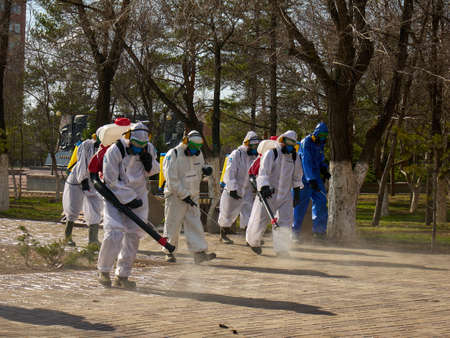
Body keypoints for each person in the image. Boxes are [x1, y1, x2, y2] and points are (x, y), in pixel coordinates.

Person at [97, 122, 159, 289]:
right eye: (136, 145)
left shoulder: (148, 148)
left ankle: (122, 276)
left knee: (133, 235)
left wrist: (149, 164)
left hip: (139, 195)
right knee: (114, 232)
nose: (139, 149)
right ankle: (103, 270)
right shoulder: (115, 150)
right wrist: (127, 198)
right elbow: (110, 179)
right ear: (128, 138)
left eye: (142, 146)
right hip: (114, 195)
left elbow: (154, 169)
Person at [162, 130, 216, 264]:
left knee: (195, 223)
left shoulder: (198, 154)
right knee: (172, 225)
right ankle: (169, 251)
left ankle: (199, 252)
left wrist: (205, 169)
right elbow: (171, 180)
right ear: (185, 142)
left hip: (193, 196)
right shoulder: (173, 155)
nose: (194, 151)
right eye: (192, 148)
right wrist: (183, 195)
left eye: (197, 149)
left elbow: (198, 170)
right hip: (175, 197)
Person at [246, 131, 303, 256]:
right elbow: (263, 172)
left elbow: (297, 177)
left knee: (285, 221)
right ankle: (253, 242)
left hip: (285, 195)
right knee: (260, 219)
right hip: (268, 193)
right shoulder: (272, 153)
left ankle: (281, 249)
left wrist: (297, 191)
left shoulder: (295, 157)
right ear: (281, 141)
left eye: (291, 144)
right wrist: (264, 186)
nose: (289, 146)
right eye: (287, 143)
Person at [217, 131, 260, 244]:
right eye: (253, 145)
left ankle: (249, 238)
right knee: (228, 212)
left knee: (249, 214)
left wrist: (256, 186)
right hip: (233, 190)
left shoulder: (255, 157)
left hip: (247, 191)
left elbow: (256, 173)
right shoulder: (236, 154)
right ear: (246, 144)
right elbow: (230, 172)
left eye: (256, 145)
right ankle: (223, 234)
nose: (255, 148)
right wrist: (232, 188)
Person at [292, 122, 330, 241]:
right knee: (299, 205)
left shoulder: (320, 143)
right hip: (303, 178)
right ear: (316, 133)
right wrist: (310, 178)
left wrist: (324, 168)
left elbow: (320, 158)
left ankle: (319, 232)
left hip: (316, 177)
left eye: (325, 135)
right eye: (321, 134)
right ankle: (294, 233)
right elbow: (306, 161)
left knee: (321, 201)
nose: (323, 137)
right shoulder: (306, 142)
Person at [62, 134, 102, 247]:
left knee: (95, 208)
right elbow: (82, 164)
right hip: (76, 180)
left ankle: (93, 240)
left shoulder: (108, 148)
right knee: (73, 208)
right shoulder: (87, 145)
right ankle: (67, 237)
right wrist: (83, 179)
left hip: (92, 181)